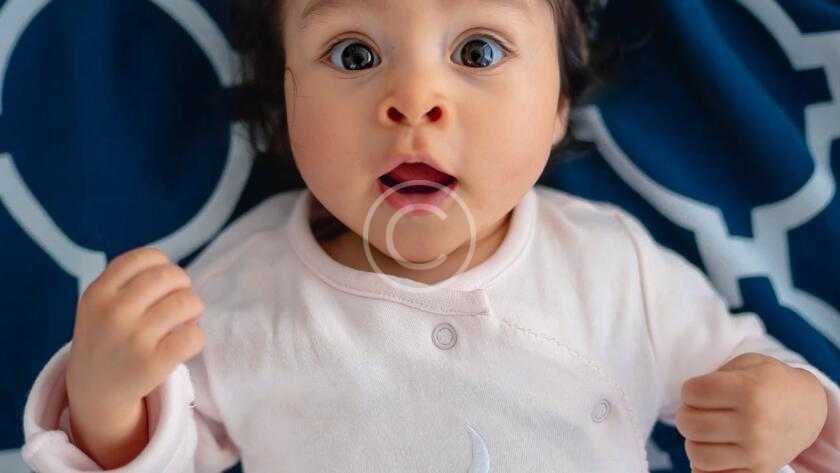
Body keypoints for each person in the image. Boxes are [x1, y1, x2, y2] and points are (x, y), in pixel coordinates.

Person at [20, 0, 839, 471]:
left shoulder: (610, 266)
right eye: (353, 54)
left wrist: (795, 411)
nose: (415, 98)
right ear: (285, 97)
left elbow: (753, 375)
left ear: (559, 103)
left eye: (478, 50)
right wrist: (107, 400)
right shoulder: (242, 292)